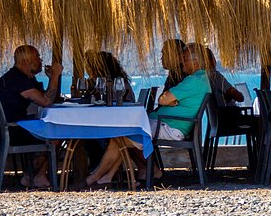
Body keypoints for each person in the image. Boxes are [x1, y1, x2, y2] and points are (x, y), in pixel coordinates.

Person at [87, 43, 211, 186]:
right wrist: (170, 101)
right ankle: (106, 177)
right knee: (121, 135)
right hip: (166, 124)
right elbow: (166, 99)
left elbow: (163, 99)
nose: (182, 61)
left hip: (169, 126)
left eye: (184, 58)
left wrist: (169, 101)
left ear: (195, 62)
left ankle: (95, 177)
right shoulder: (200, 79)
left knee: (121, 135)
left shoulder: (193, 81)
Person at [0, 45, 63, 188]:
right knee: (55, 134)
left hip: (2, 129)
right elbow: (46, 101)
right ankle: (33, 177)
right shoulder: (18, 80)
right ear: (26, 61)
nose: (40, 61)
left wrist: (52, 78)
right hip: (7, 131)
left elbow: (48, 98)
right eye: (37, 58)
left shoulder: (23, 78)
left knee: (54, 131)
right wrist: (55, 76)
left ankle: (37, 176)